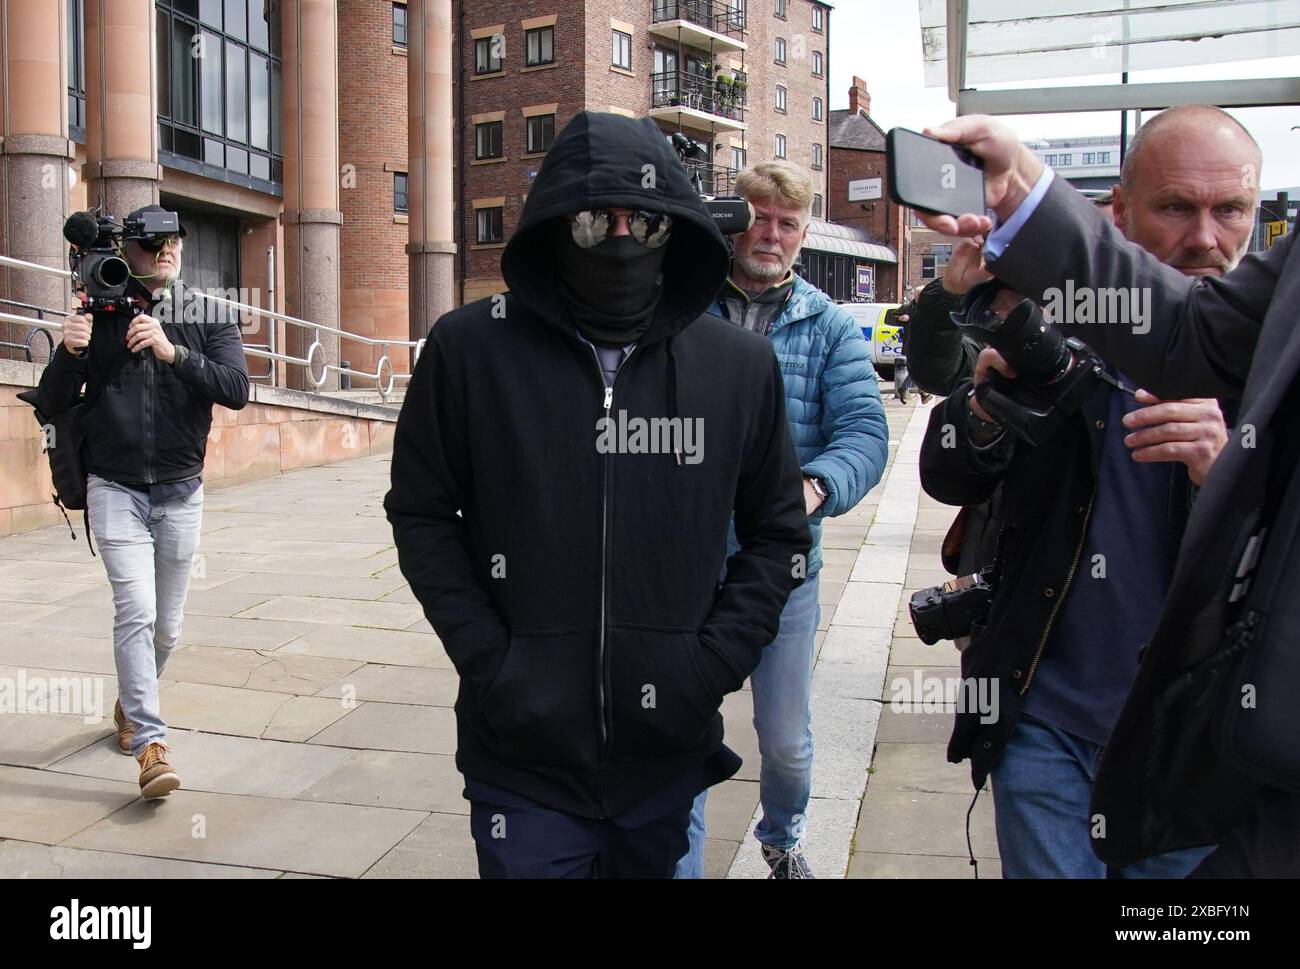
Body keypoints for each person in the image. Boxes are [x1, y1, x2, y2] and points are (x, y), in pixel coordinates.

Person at [384, 112, 811, 879]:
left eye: (643, 221)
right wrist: (495, 659)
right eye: (592, 221)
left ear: (673, 228)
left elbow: (778, 532)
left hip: (664, 752)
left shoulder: (737, 368)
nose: (620, 238)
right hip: (520, 753)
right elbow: (421, 512)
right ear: (554, 226)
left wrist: (708, 663)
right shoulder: (469, 349)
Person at [918, 107, 1300, 877]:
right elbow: (945, 465)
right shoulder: (1063, 326)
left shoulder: (1273, 358)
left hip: (1197, 744)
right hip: (1048, 726)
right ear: (1119, 211)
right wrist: (989, 409)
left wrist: (1228, 471)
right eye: (1175, 207)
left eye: (1230, 210)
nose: (1205, 238)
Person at [673, 160, 889, 879]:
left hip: (783, 572)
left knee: (786, 741)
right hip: (688, 564)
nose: (770, 233)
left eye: (786, 223)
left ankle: (782, 832)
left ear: (803, 235)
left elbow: (864, 429)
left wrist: (816, 485)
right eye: (758, 217)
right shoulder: (683, 307)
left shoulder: (827, 325)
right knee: (681, 731)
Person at [26, 205, 250, 798]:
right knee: (138, 609)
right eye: (154, 243)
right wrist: (70, 352)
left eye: (174, 240)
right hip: (114, 485)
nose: (168, 251)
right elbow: (49, 402)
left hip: (180, 490)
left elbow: (238, 390)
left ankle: (131, 703)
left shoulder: (204, 312)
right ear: (130, 250)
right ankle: (152, 744)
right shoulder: (100, 308)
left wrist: (174, 352)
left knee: (168, 628)